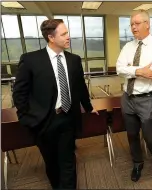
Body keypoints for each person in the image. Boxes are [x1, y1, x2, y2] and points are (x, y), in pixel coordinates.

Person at [12, 19, 96, 189]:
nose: (68, 37)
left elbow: (80, 86)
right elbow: (19, 93)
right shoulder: (30, 60)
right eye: (64, 34)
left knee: (68, 162)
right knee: (51, 163)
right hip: (44, 121)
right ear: (51, 37)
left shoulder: (74, 60)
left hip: (68, 118)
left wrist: (89, 108)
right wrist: (27, 118)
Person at [116, 9, 152, 183]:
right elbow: (119, 69)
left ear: (147, 24)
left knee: (151, 136)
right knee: (131, 134)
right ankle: (137, 163)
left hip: (147, 99)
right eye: (131, 24)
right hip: (127, 98)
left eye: (137, 23)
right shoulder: (128, 46)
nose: (133, 27)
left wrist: (130, 70)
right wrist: (138, 71)